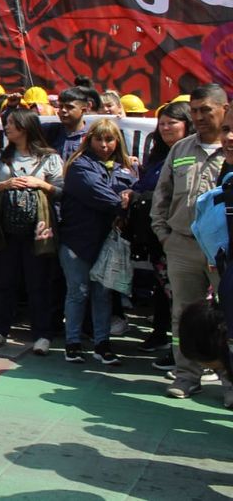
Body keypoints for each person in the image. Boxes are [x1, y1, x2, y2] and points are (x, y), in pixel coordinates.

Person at [152, 84, 231, 399]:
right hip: (182, 246)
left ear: (223, 108)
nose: (197, 117)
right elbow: (162, 195)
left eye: (205, 110)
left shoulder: (231, 148)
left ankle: (230, 383)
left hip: (223, 250)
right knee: (183, 315)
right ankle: (186, 377)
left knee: (228, 318)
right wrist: (164, 235)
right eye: (194, 111)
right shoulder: (181, 148)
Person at [0, 108, 64, 353]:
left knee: (39, 282)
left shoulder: (50, 158)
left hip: (39, 230)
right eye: (6, 124)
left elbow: (61, 192)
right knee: (5, 281)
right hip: (7, 229)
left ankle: (42, 334)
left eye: (12, 124)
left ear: (26, 126)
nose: (7, 128)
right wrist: (3, 185)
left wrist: (41, 184)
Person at [59, 119, 136, 365]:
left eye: (109, 139)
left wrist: (131, 194)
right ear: (89, 140)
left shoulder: (126, 167)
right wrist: (124, 201)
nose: (104, 145)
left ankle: (102, 344)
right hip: (77, 242)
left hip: (108, 243)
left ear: (117, 141)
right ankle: (72, 343)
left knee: (103, 295)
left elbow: (136, 191)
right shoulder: (80, 166)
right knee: (78, 293)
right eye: (99, 139)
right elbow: (101, 195)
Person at [128, 101, 192, 366]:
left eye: (172, 123)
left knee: (183, 299)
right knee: (165, 292)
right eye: (162, 123)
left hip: (182, 238)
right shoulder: (158, 157)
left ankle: (187, 354)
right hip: (159, 238)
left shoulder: (189, 155)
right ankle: (163, 337)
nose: (165, 128)